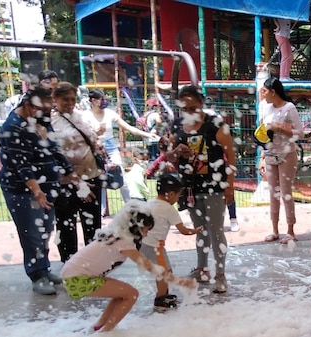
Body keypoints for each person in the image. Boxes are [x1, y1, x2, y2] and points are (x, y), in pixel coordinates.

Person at [61, 201, 196, 332]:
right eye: (146, 229)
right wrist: (178, 281)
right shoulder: (122, 241)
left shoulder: (115, 235)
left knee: (121, 294)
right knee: (131, 294)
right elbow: (148, 266)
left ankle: (99, 327)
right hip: (77, 279)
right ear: (136, 226)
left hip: (73, 275)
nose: (147, 234)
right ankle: (105, 333)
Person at [0, 86, 81, 295]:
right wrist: (36, 190)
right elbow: (22, 164)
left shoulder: (41, 119)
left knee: (45, 230)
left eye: (48, 108)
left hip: (47, 187)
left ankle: (43, 268)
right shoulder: (14, 126)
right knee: (32, 233)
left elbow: (54, 149)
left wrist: (70, 173)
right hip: (23, 190)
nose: (47, 113)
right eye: (42, 109)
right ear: (28, 105)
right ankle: (36, 275)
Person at [166, 84, 237, 293]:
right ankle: (202, 268)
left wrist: (229, 186)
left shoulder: (215, 124)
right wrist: (176, 151)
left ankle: (221, 275)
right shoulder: (177, 125)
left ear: (202, 104)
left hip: (215, 186)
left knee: (216, 231)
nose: (190, 113)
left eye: (194, 108)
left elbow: (230, 156)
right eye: (185, 108)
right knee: (199, 230)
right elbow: (169, 156)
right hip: (189, 187)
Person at [49, 81, 103, 263]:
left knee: (93, 224)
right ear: (54, 99)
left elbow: (92, 138)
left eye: (73, 99)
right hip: (65, 183)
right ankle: (70, 264)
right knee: (66, 225)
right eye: (65, 99)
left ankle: (93, 262)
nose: (70, 103)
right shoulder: (50, 122)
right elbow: (53, 153)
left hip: (92, 176)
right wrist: (75, 180)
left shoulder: (80, 116)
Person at [85, 89, 158, 214]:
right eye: (101, 99)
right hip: (94, 147)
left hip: (110, 145)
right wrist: (96, 133)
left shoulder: (109, 113)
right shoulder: (85, 115)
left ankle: (130, 207)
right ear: (92, 100)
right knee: (98, 179)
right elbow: (84, 135)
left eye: (105, 99)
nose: (104, 102)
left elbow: (129, 128)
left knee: (120, 176)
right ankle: (101, 211)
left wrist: (147, 134)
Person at [140, 173, 203, 311]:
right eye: (177, 196)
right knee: (165, 273)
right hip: (155, 246)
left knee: (161, 272)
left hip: (142, 244)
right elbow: (183, 230)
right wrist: (195, 231)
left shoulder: (149, 203)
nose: (177, 199)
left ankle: (163, 295)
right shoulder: (169, 209)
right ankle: (161, 300)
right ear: (170, 194)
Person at [259, 77, 302, 243]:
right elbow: (262, 133)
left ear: (273, 91)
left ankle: (290, 230)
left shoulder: (289, 108)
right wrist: (262, 156)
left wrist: (281, 129)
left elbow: (300, 133)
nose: (263, 94)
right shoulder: (265, 107)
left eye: (265, 91)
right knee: (273, 194)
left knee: (286, 193)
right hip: (270, 154)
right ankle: (275, 230)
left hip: (287, 154)